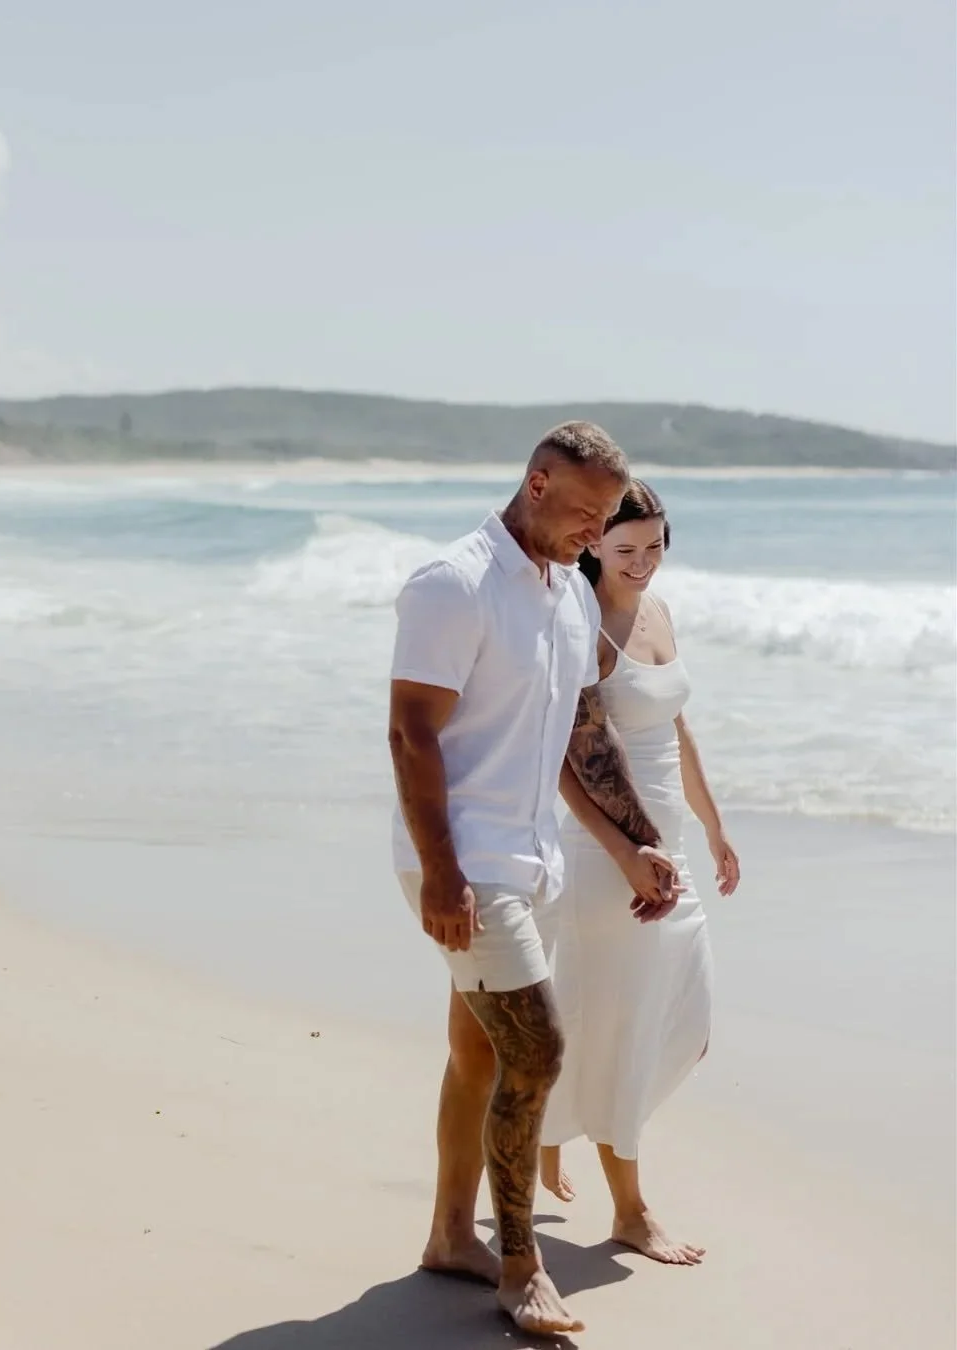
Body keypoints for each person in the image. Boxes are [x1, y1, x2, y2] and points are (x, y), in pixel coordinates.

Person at [388, 427, 679, 1337]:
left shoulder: (566, 598)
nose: (596, 536)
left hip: (534, 856)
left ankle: (448, 1235)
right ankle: (521, 1262)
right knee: (538, 1050)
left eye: (608, 522)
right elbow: (410, 733)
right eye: (587, 515)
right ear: (538, 484)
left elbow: (573, 748)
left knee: (480, 1052)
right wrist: (441, 869)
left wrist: (634, 844)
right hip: (465, 865)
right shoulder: (455, 584)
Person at [539, 479, 741, 1266]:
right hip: (613, 856)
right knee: (622, 1032)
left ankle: (553, 1123)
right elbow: (567, 755)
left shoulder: (659, 611)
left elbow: (676, 725)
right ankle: (630, 1210)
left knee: (685, 1027)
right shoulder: (579, 622)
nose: (644, 563)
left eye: (656, 546)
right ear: (593, 545)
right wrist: (629, 853)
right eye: (627, 550)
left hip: (675, 849)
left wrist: (715, 824)